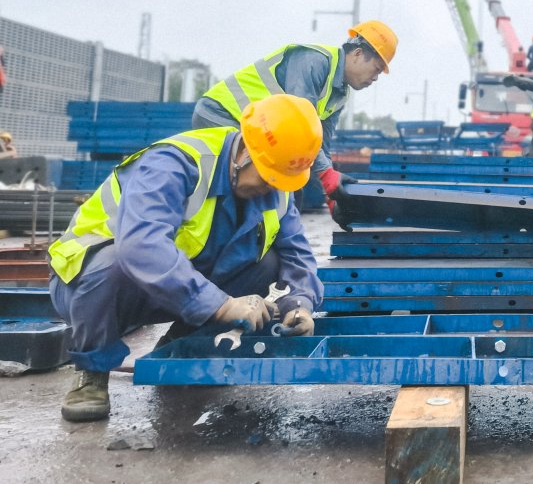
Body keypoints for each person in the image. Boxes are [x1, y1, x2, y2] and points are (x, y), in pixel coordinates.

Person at [48, 93, 325, 422]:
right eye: (268, 177)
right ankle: (91, 372)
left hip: (176, 288)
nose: (272, 188)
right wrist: (221, 305)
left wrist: (300, 305)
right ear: (246, 153)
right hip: (92, 286)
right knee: (116, 262)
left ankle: (180, 348)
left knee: (270, 265)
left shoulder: (274, 187)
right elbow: (141, 245)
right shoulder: (174, 163)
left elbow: (298, 255)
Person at [193, 20, 397, 214]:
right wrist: (326, 175)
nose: (376, 78)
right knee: (250, 182)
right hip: (222, 114)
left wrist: (331, 193)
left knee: (278, 187)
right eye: (377, 69)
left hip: (254, 129)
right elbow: (299, 131)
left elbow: (318, 145)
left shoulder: (340, 94)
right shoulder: (313, 61)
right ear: (358, 54)